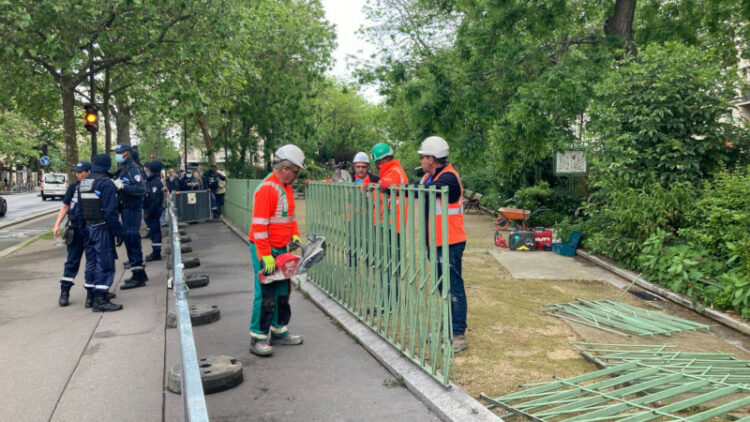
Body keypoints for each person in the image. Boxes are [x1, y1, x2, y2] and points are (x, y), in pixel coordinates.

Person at [248, 144, 305, 357]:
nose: (296, 177)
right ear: (284, 168)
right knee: (265, 294)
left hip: (280, 248)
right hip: (266, 249)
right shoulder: (267, 189)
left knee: (283, 291)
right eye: (295, 172)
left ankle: (279, 331)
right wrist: (265, 255)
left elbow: (289, 217)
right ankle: (258, 337)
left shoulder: (286, 188)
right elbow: (259, 226)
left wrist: (294, 234)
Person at [417, 136, 468, 353]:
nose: (420, 161)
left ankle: (458, 334)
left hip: (451, 241)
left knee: (453, 287)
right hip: (436, 240)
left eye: (423, 157)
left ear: (432, 158)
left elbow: (427, 189)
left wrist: (407, 185)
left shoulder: (448, 178)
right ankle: (446, 328)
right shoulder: (433, 175)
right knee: (442, 287)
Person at [78, 154, 124, 312]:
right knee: (105, 263)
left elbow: (79, 209)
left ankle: (90, 296)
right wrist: (118, 232)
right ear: (107, 167)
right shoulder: (105, 183)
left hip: (87, 228)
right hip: (102, 228)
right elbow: (111, 212)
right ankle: (100, 299)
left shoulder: (84, 183)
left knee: (91, 262)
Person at [53, 161, 90, 307]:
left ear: (88, 172)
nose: (77, 174)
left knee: (92, 262)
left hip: (90, 228)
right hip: (74, 228)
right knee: (72, 261)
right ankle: (64, 291)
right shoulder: (74, 187)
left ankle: (91, 293)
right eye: (76, 172)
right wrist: (57, 224)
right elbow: (65, 206)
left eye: (80, 172)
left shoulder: (95, 186)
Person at [112, 143, 149, 289]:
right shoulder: (125, 169)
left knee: (132, 239)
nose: (117, 154)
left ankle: (138, 276)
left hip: (132, 209)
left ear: (127, 153)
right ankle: (138, 273)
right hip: (127, 209)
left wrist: (123, 187)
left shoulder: (133, 169)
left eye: (119, 152)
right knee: (130, 240)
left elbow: (141, 189)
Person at [143, 160, 164, 261]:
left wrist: (149, 213)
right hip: (151, 211)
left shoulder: (154, 183)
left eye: (148, 169)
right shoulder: (151, 181)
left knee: (155, 232)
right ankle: (155, 251)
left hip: (153, 212)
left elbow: (154, 201)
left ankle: (156, 253)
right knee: (153, 232)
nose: (146, 170)